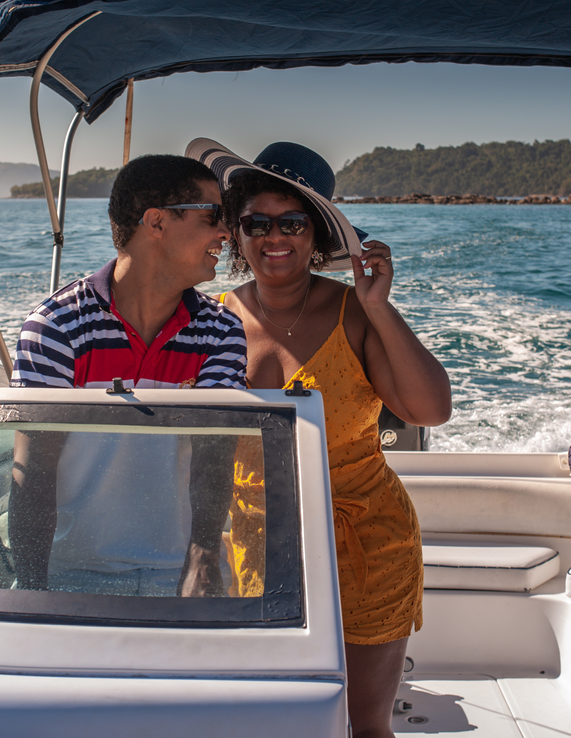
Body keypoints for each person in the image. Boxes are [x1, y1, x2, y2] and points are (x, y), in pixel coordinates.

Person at [187, 138, 452, 738]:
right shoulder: (210, 321)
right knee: (271, 723)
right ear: (237, 232)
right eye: (257, 223)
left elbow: (431, 410)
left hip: (365, 541)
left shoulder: (355, 313)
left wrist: (379, 307)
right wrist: (200, 549)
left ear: (316, 235)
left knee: (365, 726)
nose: (274, 237)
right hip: (253, 545)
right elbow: (199, 450)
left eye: (292, 223)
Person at [8, 154, 245, 597]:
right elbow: (33, 471)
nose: (226, 232)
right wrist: (33, 593)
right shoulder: (57, 326)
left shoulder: (221, 330)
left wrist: (201, 562)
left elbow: (214, 454)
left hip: (182, 572)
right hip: (71, 574)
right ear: (156, 222)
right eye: (213, 216)